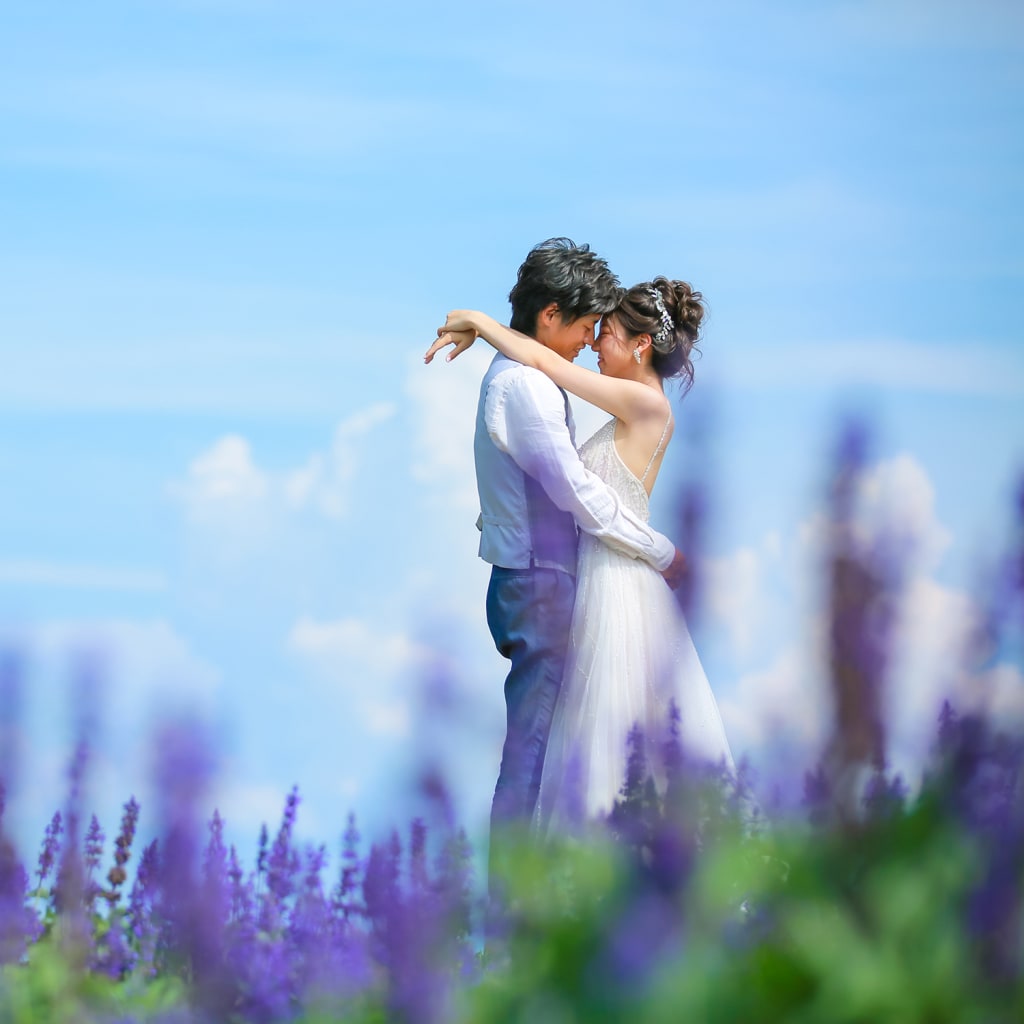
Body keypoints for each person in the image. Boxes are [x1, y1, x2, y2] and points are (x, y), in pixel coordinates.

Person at [425, 275, 737, 833]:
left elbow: (547, 365)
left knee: (605, 728)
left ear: (641, 345)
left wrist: (480, 319)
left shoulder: (644, 402)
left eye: (609, 333)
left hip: (617, 578)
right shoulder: (634, 408)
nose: (596, 343)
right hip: (601, 570)